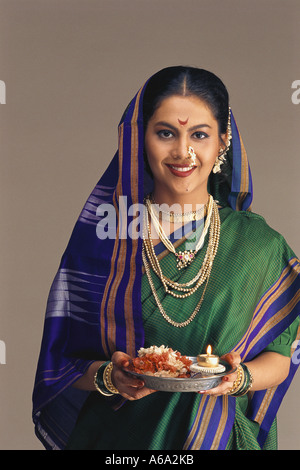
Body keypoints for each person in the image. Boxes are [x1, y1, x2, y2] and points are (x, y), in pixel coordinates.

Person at [32, 66, 300, 450]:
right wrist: (110, 377)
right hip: (118, 439)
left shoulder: (258, 245)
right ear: (141, 138)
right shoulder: (105, 238)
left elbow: (281, 354)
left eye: (200, 135)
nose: (182, 152)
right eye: (165, 133)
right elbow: (62, 359)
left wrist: (238, 379)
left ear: (223, 142)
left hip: (216, 436)